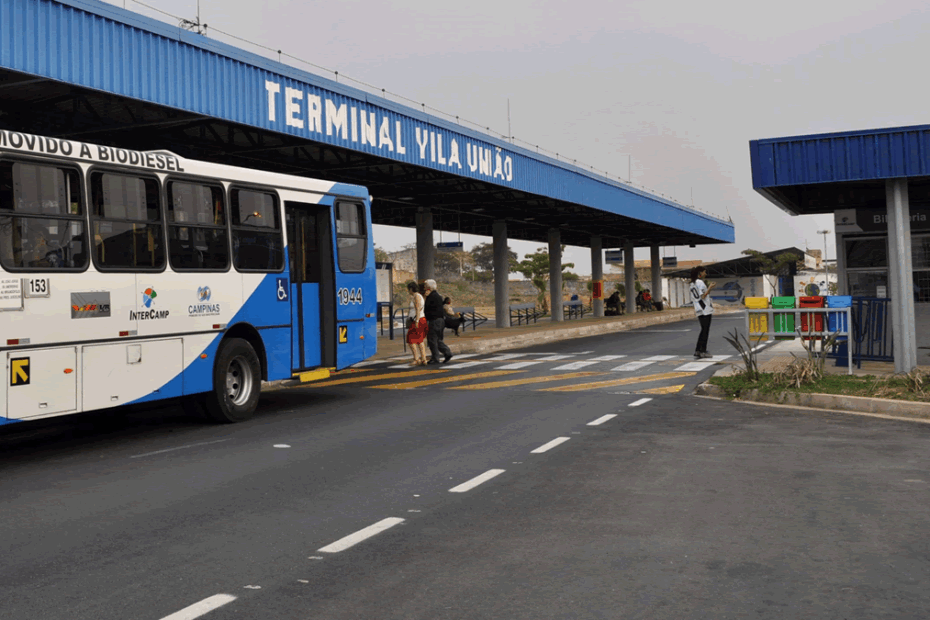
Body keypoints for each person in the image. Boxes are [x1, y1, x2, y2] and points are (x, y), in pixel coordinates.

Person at [423, 279, 453, 364]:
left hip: (434, 320)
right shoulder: (439, 296)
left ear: (429, 287)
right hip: (440, 320)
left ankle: (435, 358)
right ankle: (447, 352)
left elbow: (427, 307)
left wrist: (426, 297)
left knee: (432, 340)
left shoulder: (431, 296)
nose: (424, 288)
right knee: (438, 339)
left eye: (425, 286)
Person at [690, 266, 716, 359]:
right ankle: (703, 351)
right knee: (705, 330)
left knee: (703, 330)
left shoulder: (692, 283)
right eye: (704, 272)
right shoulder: (700, 282)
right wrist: (710, 287)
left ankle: (698, 350)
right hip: (705, 309)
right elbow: (703, 296)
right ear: (700, 273)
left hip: (698, 308)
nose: (705, 274)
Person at [404, 281, 427, 366]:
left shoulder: (416, 296)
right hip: (420, 319)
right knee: (419, 340)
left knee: (410, 340)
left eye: (408, 289)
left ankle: (416, 359)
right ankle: (424, 358)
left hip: (418, 320)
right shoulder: (418, 296)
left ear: (411, 289)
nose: (408, 291)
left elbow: (417, 309)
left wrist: (416, 321)